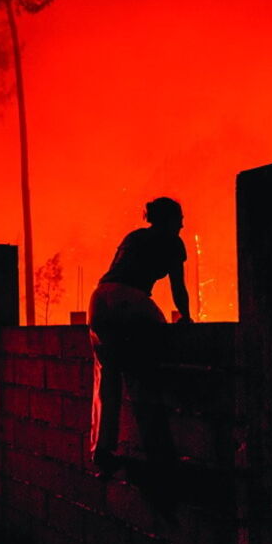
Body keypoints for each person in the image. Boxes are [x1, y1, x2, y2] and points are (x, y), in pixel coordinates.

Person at [88, 197, 192, 477]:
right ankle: (160, 453)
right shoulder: (172, 242)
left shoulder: (134, 236)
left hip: (99, 299)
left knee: (105, 380)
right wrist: (186, 316)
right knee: (146, 374)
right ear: (168, 220)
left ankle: (102, 451)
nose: (182, 223)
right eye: (179, 218)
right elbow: (178, 287)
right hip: (131, 301)